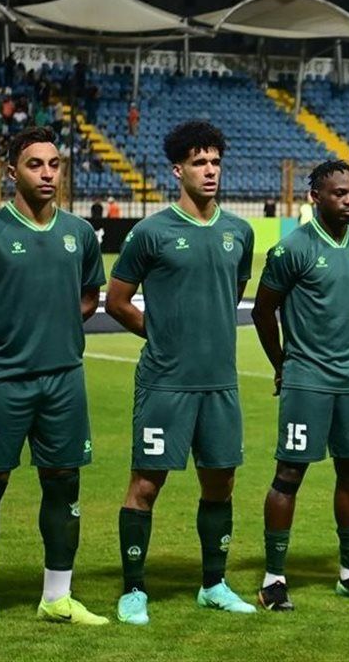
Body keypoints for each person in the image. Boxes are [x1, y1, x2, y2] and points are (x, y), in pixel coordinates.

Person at [0, 127, 108, 638]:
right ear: (11, 171)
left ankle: (57, 598)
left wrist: (59, 327)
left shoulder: (78, 232)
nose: (47, 173)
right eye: (35, 164)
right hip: (2, 381)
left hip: (64, 381)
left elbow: (90, 295)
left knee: (64, 483)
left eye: (54, 164)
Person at [106, 120, 256, 625]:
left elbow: (232, 293)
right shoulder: (151, 233)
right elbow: (117, 300)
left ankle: (213, 584)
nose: (210, 170)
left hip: (220, 383)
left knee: (221, 485)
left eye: (215, 162)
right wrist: (161, 335)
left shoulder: (239, 232)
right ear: (178, 170)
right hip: (165, 383)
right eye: (199, 162)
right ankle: (133, 590)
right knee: (145, 486)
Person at [251, 160, 349, 610]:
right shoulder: (291, 249)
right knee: (289, 475)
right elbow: (262, 312)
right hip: (307, 380)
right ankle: (273, 578)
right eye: (339, 193)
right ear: (315, 197)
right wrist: (282, 363)